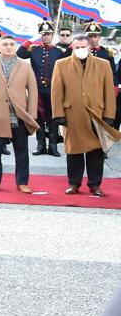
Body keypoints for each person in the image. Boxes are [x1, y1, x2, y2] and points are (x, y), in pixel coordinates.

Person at [51, 33, 119, 196]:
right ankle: (74, 184)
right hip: (72, 114)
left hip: (97, 114)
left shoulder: (103, 64)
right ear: (72, 48)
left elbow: (109, 91)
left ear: (89, 47)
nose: (80, 50)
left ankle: (94, 184)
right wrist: (58, 113)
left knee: (96, 152)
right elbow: (56, 91)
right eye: (77, 47)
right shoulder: (61, 64)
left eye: (83, 47)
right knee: (74, 151)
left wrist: (109, 115)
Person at [0, 34, 38, 194]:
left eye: (12, 44)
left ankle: (22, 182)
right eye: (5, 44)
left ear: (16, 46)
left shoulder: (25, 66)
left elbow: (32, 91)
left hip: (19, 115)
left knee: (22, 152)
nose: (9, 47)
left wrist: (31, 114)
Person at [19, 21, 64, 156]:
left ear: (52, 35)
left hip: (52, 90)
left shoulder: (58, 52)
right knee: (38, 118)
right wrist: (28, 41)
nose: (45, 37)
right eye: (43, 34)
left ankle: (53, 146)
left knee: (53, 118)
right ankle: (41, 145)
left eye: (48, 34)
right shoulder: (34, 50)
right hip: (37, 90)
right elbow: (20, 54)